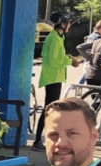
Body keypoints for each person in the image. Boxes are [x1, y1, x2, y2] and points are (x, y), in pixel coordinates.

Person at [32, 12, 82, 146]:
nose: (70, 26)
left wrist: (68, 58)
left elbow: (56, 56)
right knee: (49, 110)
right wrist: (70, 61)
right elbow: (55, 60)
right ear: (63, 24)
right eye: (68, 23)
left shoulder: (58, 38)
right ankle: (38, 141)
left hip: (55, 77)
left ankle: (44, 140)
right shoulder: (54, 38)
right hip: (52, 78)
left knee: (51, 110)